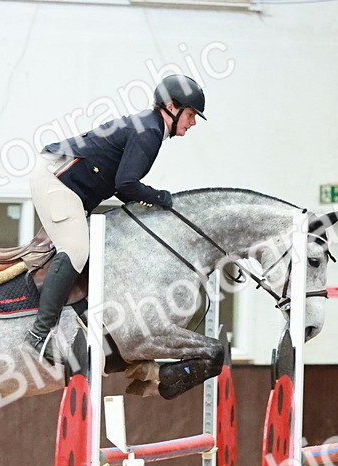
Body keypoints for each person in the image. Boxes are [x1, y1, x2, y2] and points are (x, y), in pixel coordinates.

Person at [25, 74, 207, 363]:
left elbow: (124, 187)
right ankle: (39, 333)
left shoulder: (149, 126)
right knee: (76, 250)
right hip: (56, 179)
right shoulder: (148, 131)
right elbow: (126, 185)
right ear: (171, 107)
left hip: (67, 183)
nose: (193, 122)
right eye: (190, 114)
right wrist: (161, 198)